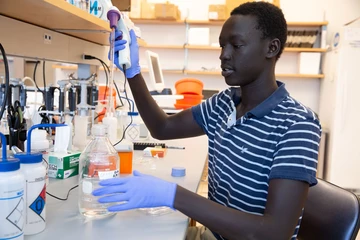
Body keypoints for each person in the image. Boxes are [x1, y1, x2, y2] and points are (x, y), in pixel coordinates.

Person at [92, 2, 322, 240]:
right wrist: (133, 73)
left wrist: (172, 195)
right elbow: (162, 127)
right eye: (222, 45)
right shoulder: (224, 103)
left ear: (271, 48)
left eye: (237, 45)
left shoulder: (297, 124)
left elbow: (273, 233)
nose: (224, 54)